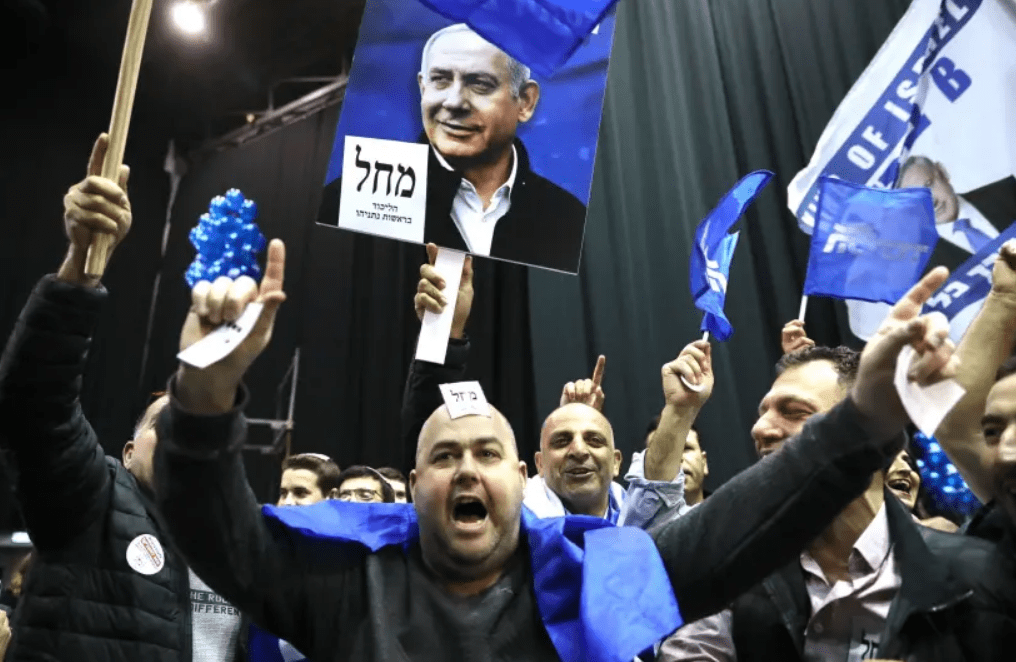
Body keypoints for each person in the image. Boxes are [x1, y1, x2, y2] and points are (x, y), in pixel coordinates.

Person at [152, 235, 966, 660]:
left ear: (521, 477)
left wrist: (862, 416)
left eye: (485, 454)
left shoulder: (592, 579)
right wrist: (203, 391)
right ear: (412, 482)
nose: (467, 467)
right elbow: (214, 530)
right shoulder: (342, 584)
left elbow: (749, 519)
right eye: (443, 458)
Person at [0, 134, 246, 661]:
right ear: (128, 454)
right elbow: (36, 406)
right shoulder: (95, 498)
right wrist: (80, 269)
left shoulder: (239, 548)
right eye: (165, 424)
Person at [659, 345, 1016, 662]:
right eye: (763, 412)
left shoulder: (979, 572)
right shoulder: (730, 577)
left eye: (794, 411)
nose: (760, 428)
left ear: (871, 427)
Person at [404, 246, 686, 528]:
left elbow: (657, 487)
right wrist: (443, 331)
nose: (578, 451)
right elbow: (434, 436)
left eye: (594, 440)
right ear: (536, 466)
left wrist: (681, 408)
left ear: (616, 463)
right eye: (561, 441)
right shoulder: (512, 525)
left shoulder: (641, 526)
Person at [319, 24, 587, 272]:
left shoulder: (566, 219)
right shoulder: (349, 199)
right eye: (441, 80)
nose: (454, 102)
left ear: (526, 102)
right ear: (423, 88)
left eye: (480, 84)